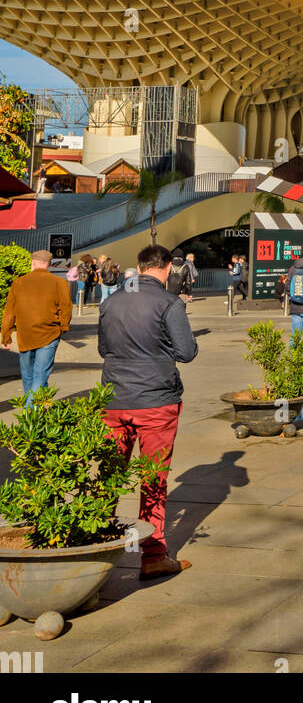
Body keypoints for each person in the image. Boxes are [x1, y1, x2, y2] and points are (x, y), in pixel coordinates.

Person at [99, 243, 198, 580]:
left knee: (108, 476)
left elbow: (103, 347)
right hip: (156, 400)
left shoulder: (110, 301)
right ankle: (153, 554)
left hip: (114, 399)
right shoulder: (169, 302)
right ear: (166, 268)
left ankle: (96, 542)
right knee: (153, 478)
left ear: (139, 267)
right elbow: (186, 351)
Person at [1, 248, 72, 403]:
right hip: (50, 334)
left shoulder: (18, 282)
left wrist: (6, 335)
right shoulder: (59, 283)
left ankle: (33, 413)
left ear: (32, 263)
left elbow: (9, 312)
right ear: (49, 264)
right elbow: (66, 308)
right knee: (40, 375)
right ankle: (33, 412)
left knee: (27, 376)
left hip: (25, 336)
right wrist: (63, 327)